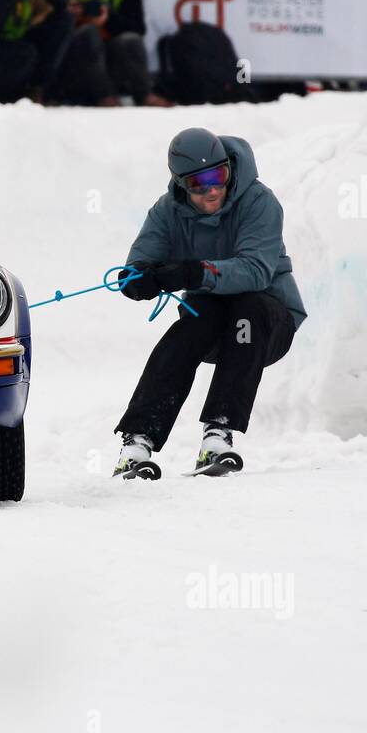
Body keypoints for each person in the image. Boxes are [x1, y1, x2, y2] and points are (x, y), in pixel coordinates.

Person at [113, 127, 307, 478]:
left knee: (246, 310)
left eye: (218, 176)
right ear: (181, 185)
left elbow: (255, 272)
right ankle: (137, 442)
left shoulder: (259, 202)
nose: (212, 189)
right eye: (199, 183)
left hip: (267, 320)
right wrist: (138, 279)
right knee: (190, 326)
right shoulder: (167, 211)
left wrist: (191, 273)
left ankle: (218, 433)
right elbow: (140, 260)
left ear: (229, 169)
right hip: (214, 320)